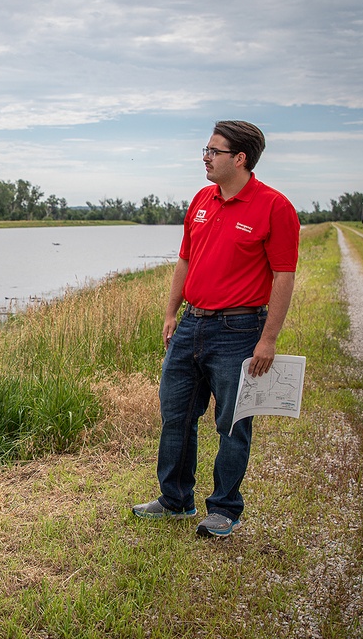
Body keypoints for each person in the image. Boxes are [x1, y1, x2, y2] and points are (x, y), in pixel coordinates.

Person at [132, 121, 300, 538]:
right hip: (192, 323)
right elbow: (185, 260)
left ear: (239, 158)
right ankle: (175, 500)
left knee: (232, 422)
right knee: (176, 415)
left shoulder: (274, 207)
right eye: (205, 149)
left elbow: (283, 276)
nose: (205, 157)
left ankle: (224, 509)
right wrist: (172, 312)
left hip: (239, 329)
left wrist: (268, 338)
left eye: (213, 150)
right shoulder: (202, 200)